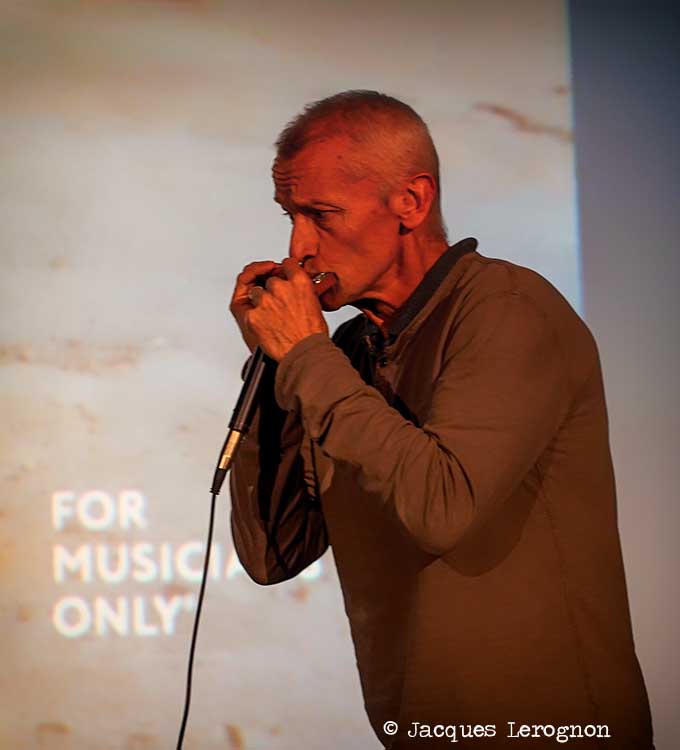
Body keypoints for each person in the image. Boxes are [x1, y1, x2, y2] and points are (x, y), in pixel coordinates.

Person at [228, 91, 654, 748]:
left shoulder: (507, 309)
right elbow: (271, 553)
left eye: (322, 215)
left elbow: (444, 509)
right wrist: (276, 367)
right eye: (291, 216)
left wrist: (307, 357)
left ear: (412, 201)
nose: (298, 247)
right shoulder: (346, 355)